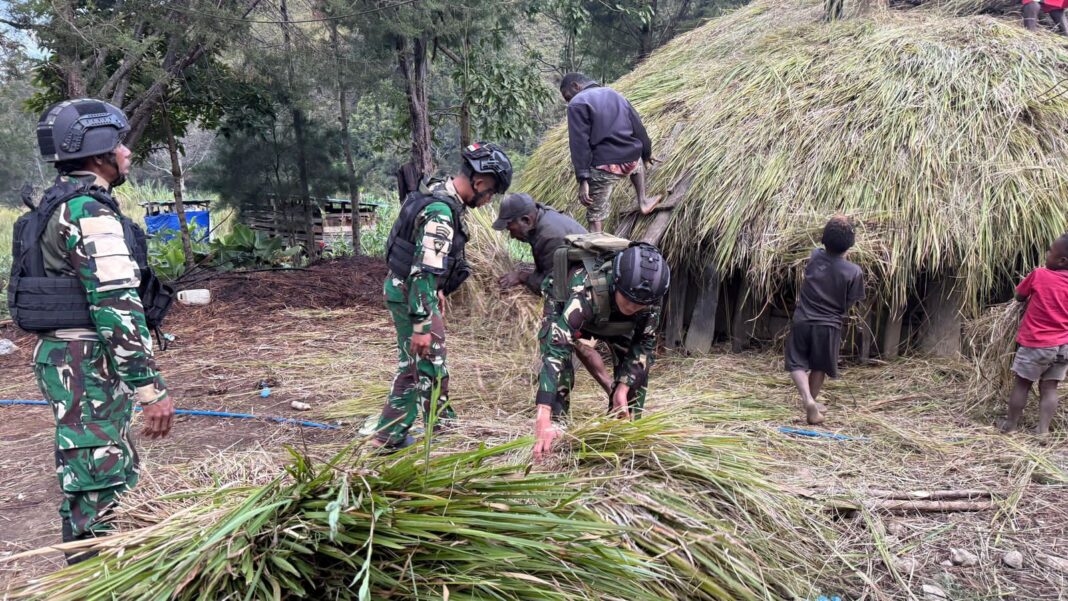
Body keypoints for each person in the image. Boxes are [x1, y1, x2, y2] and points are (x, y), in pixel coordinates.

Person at [14, 99, 174, 561]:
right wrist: (149, 388)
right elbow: (116, 307)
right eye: (120, 144)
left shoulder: (56, 203)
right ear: (99, 151)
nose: (126, 153)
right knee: (101, 481)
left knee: (96, 473)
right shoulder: (88, 211)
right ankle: (95, 578)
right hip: (86, 367)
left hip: (71, 361)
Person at [373, 143, 513, 451]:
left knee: (430, 363)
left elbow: (422, 258)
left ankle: (440, 425)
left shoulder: (437, 191)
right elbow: (422, 271)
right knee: (418, 363)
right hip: (412, 294)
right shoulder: (440, 213)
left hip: (412, 291)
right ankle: (389, 437)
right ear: (478, 182)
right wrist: (422, 322)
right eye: (490, 192)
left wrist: (436, 291)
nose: (489, 199)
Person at [532, 242, 670, 458]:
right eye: (629, 299)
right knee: (562, 370)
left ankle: (622, 433)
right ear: (616, 282)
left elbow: (644, 345)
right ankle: (555, 434)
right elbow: (555, 350)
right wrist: (543, 413)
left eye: (639, 304)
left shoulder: (650, 299)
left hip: (615, 320)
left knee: (635, 376)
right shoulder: (586, 291)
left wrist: (622, 389)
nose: (633, 307)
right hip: (569, 305)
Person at [494, 193, 613, 394]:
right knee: (578, 344)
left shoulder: (549, 236)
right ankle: (611, 391)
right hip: (585, 283)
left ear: (526, 220)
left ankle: (560, 398)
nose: (510, 234)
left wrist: (522, 277)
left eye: (510, 227)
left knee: (565, 339)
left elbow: (552, 285)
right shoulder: (542, 218)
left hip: (590, 291)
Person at [784, 216, 865, 426]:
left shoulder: (814, 257)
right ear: (850, 246)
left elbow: (821, 251)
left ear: (823, 240)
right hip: (829, 325)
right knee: (819, 365)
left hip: (803, 320)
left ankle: (808, 400)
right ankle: (812, 402)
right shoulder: (854, 272)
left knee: (796, 362)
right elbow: (851, 301)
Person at [560, 72, 660, 233]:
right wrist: (646, 153)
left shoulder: (577, 103)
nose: (568, 101)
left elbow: (579, 144)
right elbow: (638, 127)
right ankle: (643, 200)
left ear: (576, 86)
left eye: (567, 96)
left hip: (604, 166)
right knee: (637, 160)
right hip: (631, 160)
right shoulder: (616, 95)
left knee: (595, 217)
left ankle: (597, 246)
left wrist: (583, 179)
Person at [1000, 233, 1068, 437]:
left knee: (1022, 384)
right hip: (1063, 345)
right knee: (1050, 388)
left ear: (1062, 260)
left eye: (1050, 251)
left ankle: (1010, 426)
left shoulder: (1040, 274)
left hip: (1036, 343)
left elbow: (1019, 296)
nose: (1046, 254)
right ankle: (1042, 431)